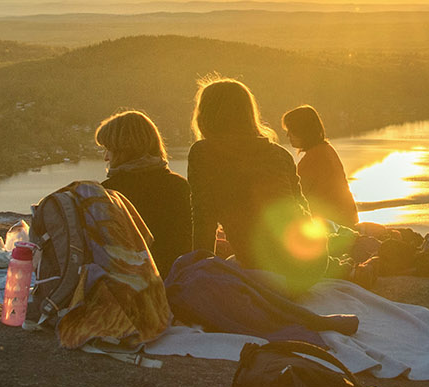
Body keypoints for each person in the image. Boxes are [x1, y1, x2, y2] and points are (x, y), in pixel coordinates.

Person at [186, 76, 322, 283]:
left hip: (266, 267)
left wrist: (199, 275)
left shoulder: (203, 153)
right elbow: (303, 210)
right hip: (312, 263)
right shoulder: (280, 153)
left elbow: (204, 220)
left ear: (205, 115)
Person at [95, 110, 193, 274]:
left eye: (108, 149)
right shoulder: (180, 186)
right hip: (178, 280)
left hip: (131, 284)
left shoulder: (109, 194)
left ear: (122, 150)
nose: (106, 157)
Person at [280, 105, 364, 233]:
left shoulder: (313, 158)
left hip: (334, 227)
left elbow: (295, 196)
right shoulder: (326, 149)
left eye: (291, 130)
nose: (287, 135)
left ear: (302, 131)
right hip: (346, 221)